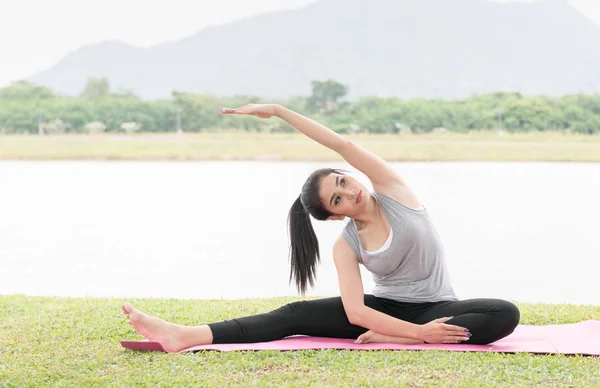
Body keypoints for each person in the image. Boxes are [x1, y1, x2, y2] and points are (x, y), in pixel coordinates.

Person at [121, 104, 520, 353]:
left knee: (503, 313)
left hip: (438, 306)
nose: (351, 193)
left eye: (344, 182)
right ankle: (185, 335)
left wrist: (279, 111)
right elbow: (356, 310)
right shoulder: (346, 245)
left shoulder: (394, 192)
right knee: (292, 315)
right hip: (385, 310)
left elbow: (343, 145)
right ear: (333, 216)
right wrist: (414, 334)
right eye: (338, 199)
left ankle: (398, 337)